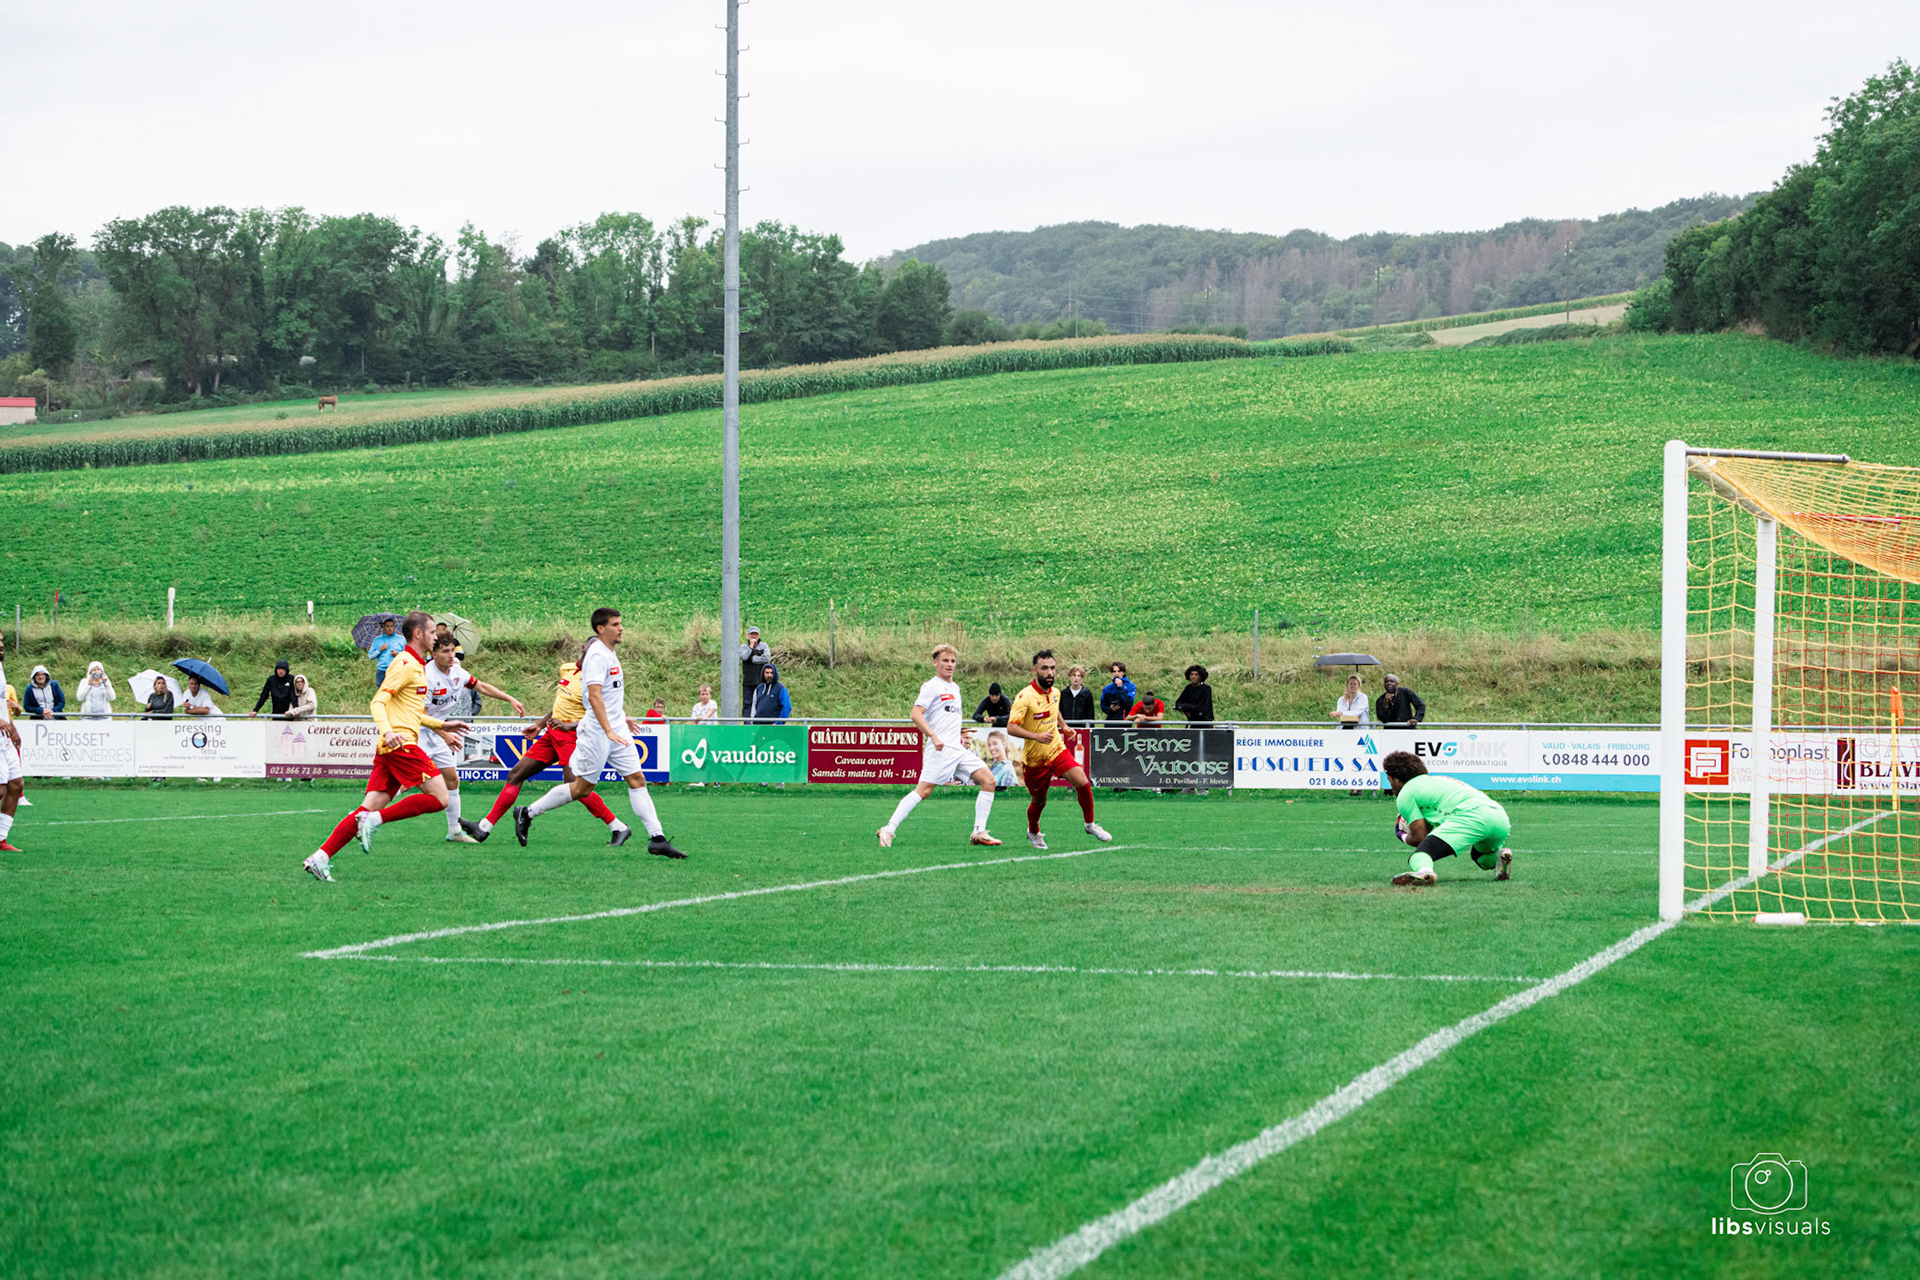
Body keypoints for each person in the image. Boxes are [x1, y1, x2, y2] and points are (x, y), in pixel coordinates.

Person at [305, 610, 472, 882]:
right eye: (431, 633)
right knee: (441, 798)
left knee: (367, 807)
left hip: (391, 747)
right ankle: (374, 821)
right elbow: (378, 701)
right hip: (400, 745)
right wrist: (389, 731)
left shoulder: (416, 665)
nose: (435, 637)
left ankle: (320, 857)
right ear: (418, 634)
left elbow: (411, 712)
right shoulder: (405, 663)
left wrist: (440, 726)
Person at [514, 607, 685, 859]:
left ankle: (656, 838)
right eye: (615, 624)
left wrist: (620, 718)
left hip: (615, 731)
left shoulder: (610, 653)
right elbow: (593, 696)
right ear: (600, 628)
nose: (621, 628)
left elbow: (608, 694)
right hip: (597, 732)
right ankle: (527, 813)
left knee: (637, 779)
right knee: (581, 789)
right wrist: (607, 729)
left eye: (621, 623)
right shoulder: (597, 655)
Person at [462, 654, 626, 843]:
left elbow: (601, 715)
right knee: (516, 775)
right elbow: (560, 704)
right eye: (585, 649)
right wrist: (540, 724)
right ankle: (484, 827)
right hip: (552, 734)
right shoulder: (567, 668)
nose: (585, 655)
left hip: (574, 737)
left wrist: (570, 725)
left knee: (576, 785)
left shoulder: (596, 680)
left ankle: (618, 826)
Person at [876, 643, 1001, 848]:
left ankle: (979, 832)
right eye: (945, 660)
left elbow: (948, 717)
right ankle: (888, 829)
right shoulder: (931, 686)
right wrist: (933, 736)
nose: (950, 664)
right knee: (923, 791)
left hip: (957, 749)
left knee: (989, 781)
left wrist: (957, 735)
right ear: (935, 663)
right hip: (940, 749)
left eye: (952, 661)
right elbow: (916, 714)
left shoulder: (955, 688)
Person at [420, 635, 525, 845]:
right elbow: (420, 714)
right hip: (418, 733)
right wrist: (445, 734)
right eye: (445, 651)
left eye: (452, 650)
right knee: (400, 784)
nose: (451, 655)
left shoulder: (457, 672)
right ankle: (366, 815)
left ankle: (454, 831)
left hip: (439, 733)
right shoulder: (425, 676)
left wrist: (510, 698)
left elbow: (482, 687)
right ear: (433, 654)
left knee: (452, 779)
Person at [1006, 650, 1111, 850]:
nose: (1050, 672)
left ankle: (1090, 824)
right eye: (1044, 668)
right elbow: (1011, 727)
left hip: (1056, 749)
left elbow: (1055, 710)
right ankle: (1033, 831)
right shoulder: (1024, 697)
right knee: (1039, 800)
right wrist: (1036, 736)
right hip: (1035, 759)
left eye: (1052, 668)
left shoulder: (1055, 692)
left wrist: (1063, 726)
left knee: (1082, 781)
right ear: (1034, 670)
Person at [1382, 750, 1512, 886]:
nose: (1390, 786)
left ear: (1397, 778)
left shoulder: (1406, 793)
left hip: (1471, 815)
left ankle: (1424, 872)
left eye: (1389, 780)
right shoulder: (1437, 780)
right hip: (1499, 816)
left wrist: (1402, 835)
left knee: (1420, 854)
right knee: (1480, 857)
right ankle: (1499, 856)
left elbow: (1419, 838)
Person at [0, 632, 25, 852]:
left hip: (4, 737)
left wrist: (12, 725)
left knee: (16, 785)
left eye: (1, 641)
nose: (0, 645)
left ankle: (0, 839)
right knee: (0, 789)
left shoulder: (0, 668)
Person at [367, 616, 405, 689]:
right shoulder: (377, 640)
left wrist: (398, 654)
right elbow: (371, 656)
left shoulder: (401, 639)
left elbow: (407, 655)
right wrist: (380, 649)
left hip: (396, 670)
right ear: (383, 627)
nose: (389, 628)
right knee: (381, 692)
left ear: (394, 627)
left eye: (391, 626)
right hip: (382, 670)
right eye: (387, 626)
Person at [739, 625, 771, 710]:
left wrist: (752, 659)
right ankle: (747, 722)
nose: (754, 636)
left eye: (755, 634)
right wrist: (751, 647)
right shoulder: (744, 647)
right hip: (748, 680)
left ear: (759, 635)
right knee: (747, 704)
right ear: (748, 635)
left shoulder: (764, 646)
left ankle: (760, 722)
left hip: (761, 680)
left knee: (762, 702)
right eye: (752, 634)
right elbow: (744, 657)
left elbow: (766, 658)